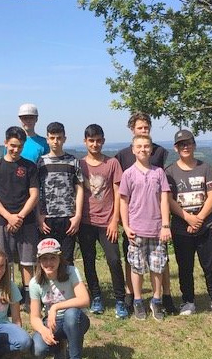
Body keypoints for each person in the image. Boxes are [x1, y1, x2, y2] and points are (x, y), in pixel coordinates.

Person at [114, 112, 176, 315]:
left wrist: (166, 225)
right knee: (136, 266)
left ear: (151, 149)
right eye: (139, 146)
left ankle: (157, 299)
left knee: (157, 266)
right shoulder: (128, 174)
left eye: (146, 146)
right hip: (136, 229)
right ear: (133, 149)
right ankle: (138, 300)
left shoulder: (158, 172)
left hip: (157, 228)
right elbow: (123, 201)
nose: (143, 149)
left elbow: (164, 199)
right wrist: (126, 225)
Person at [165, 129, 212, 316]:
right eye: (181, 144)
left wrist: (198, 219)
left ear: (194, 145)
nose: (185, 147)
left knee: (210, 265)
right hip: (181, 227)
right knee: (185, 267)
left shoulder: (205, 167)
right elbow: (168, 200)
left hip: (206, 226)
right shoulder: (169, 172)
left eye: (188, 143)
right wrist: (187, 218)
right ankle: (188, 301)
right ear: (176, 148)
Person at [77, 124, 128, 319]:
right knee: (89, 261)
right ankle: (96, 296)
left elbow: (118, 193)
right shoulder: (80, 165)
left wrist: (115, 220)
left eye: (98, 140)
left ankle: (120, 299)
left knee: (114, 260)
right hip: (86, 222)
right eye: (91, 140)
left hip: (107, 222)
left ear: (103, 141)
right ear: (85, 142)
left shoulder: (112, 163)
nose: (95, 144)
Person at [0, 126, 39, 312]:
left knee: (28, 262)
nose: (16, 150)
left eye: (19, 146)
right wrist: (9, 217)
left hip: (27, 221)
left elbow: (34, 195)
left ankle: (28, 299)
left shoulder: (30, 167)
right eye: (12, 145)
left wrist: (20, 217)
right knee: (4, 262)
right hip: (2, 222)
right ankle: (7, 298)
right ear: (5, 143)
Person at [29, 238, 90, 359]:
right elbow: (34, 317)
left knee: (71, 315)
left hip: (76, 319)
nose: (48, 263)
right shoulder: (34, 282)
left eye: (53, 258)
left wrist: (55, 307)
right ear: (39, 261)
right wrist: (43, 330)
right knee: (37, 349)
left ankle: (74, 356)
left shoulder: (71, 271)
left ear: (59, 258)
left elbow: (85, 300)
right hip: (52, 323)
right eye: (44, 258)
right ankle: (60, 348)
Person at [37, 122, 84, 265]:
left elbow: (80, 189)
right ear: (47, 139)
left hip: (68, 217)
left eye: (59, 138)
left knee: (67, 259)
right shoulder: (41, 163)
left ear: (64, 138)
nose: (55, 141)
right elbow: (36, 191)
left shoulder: (73, 161)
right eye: (52, 138)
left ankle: (68, 287)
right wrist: (39, 217)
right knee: (47, 258)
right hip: (47, 218)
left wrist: (78, 216)